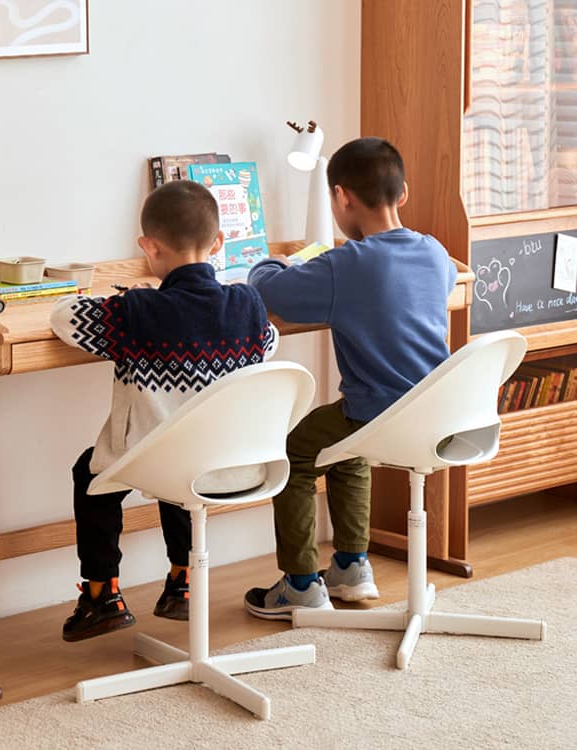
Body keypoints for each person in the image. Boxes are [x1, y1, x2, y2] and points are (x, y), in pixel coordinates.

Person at [51, 179, 279, 641]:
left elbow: (63, 317)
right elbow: (269, 345)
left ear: (148, 246)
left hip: (168, 463)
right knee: (186, 445)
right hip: (235, 466)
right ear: (218, 242)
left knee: (92, 474)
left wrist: (132, 296)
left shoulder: (137, 312)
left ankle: (101, 594)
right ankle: (184, 579)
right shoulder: (248, 303)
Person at [244, 137, 458, 619]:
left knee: (296, 450)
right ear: (402, 194)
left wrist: (273, 261)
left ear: (341, 198)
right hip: (436, 412)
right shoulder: (433, 251)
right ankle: (351, 566)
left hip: (380, 413)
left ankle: (300, 583)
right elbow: (440, 283)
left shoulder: (346, 264)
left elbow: (271, 292)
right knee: (347, 438)